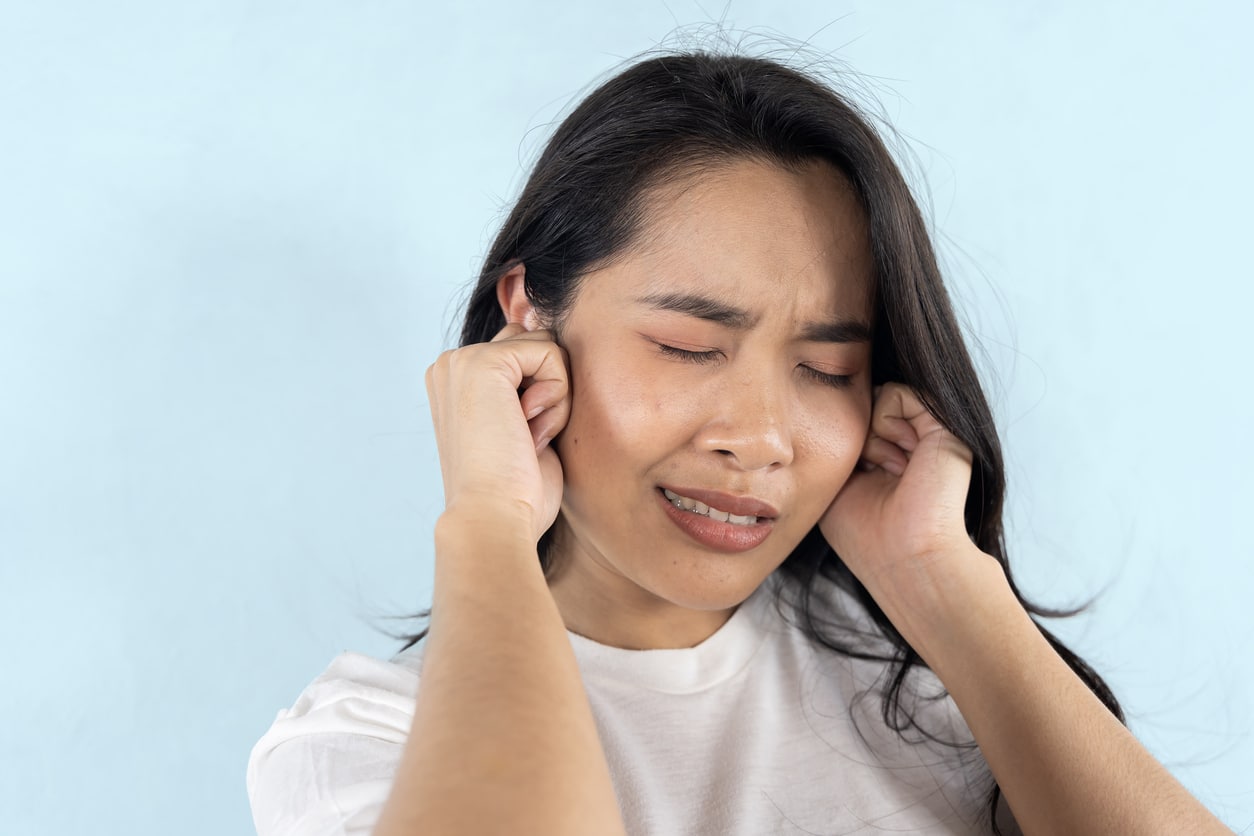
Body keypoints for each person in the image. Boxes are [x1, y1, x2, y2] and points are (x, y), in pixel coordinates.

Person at [246, 51, 1232, 835]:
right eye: (688, 346)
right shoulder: (364, 742)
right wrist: (487, 523)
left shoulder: (935, 698)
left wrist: (943, 579)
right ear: (529, 316)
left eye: (827, 368)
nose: (758, 437)